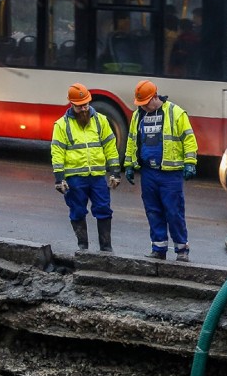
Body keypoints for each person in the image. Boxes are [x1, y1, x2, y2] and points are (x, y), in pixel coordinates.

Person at [124, 80, 198, 262]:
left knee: (173, 212)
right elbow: (132, 140)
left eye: (146, 103)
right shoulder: (138, 116)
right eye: (140, 104)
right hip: (149, 172)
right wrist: (128, 164)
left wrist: (190, 162)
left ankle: (182, 249)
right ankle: (158, 248)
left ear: (155, 97)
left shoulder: (175, 113)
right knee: (153, 211)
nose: (144, 107)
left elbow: (188, 139)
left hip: (170, 174)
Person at [51, 83, 122, 252]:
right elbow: (57, 152)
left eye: (86, 104)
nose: (84, 109)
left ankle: (106, 248)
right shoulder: (62, 125)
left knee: (104, 209)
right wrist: (59, 178)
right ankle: (83, 247)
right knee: (77, 211)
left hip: (97, 176)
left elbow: (110, 148)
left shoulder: (100, 121)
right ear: (71, 104)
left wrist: (115, 173)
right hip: (75, 179)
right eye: (79, 106)